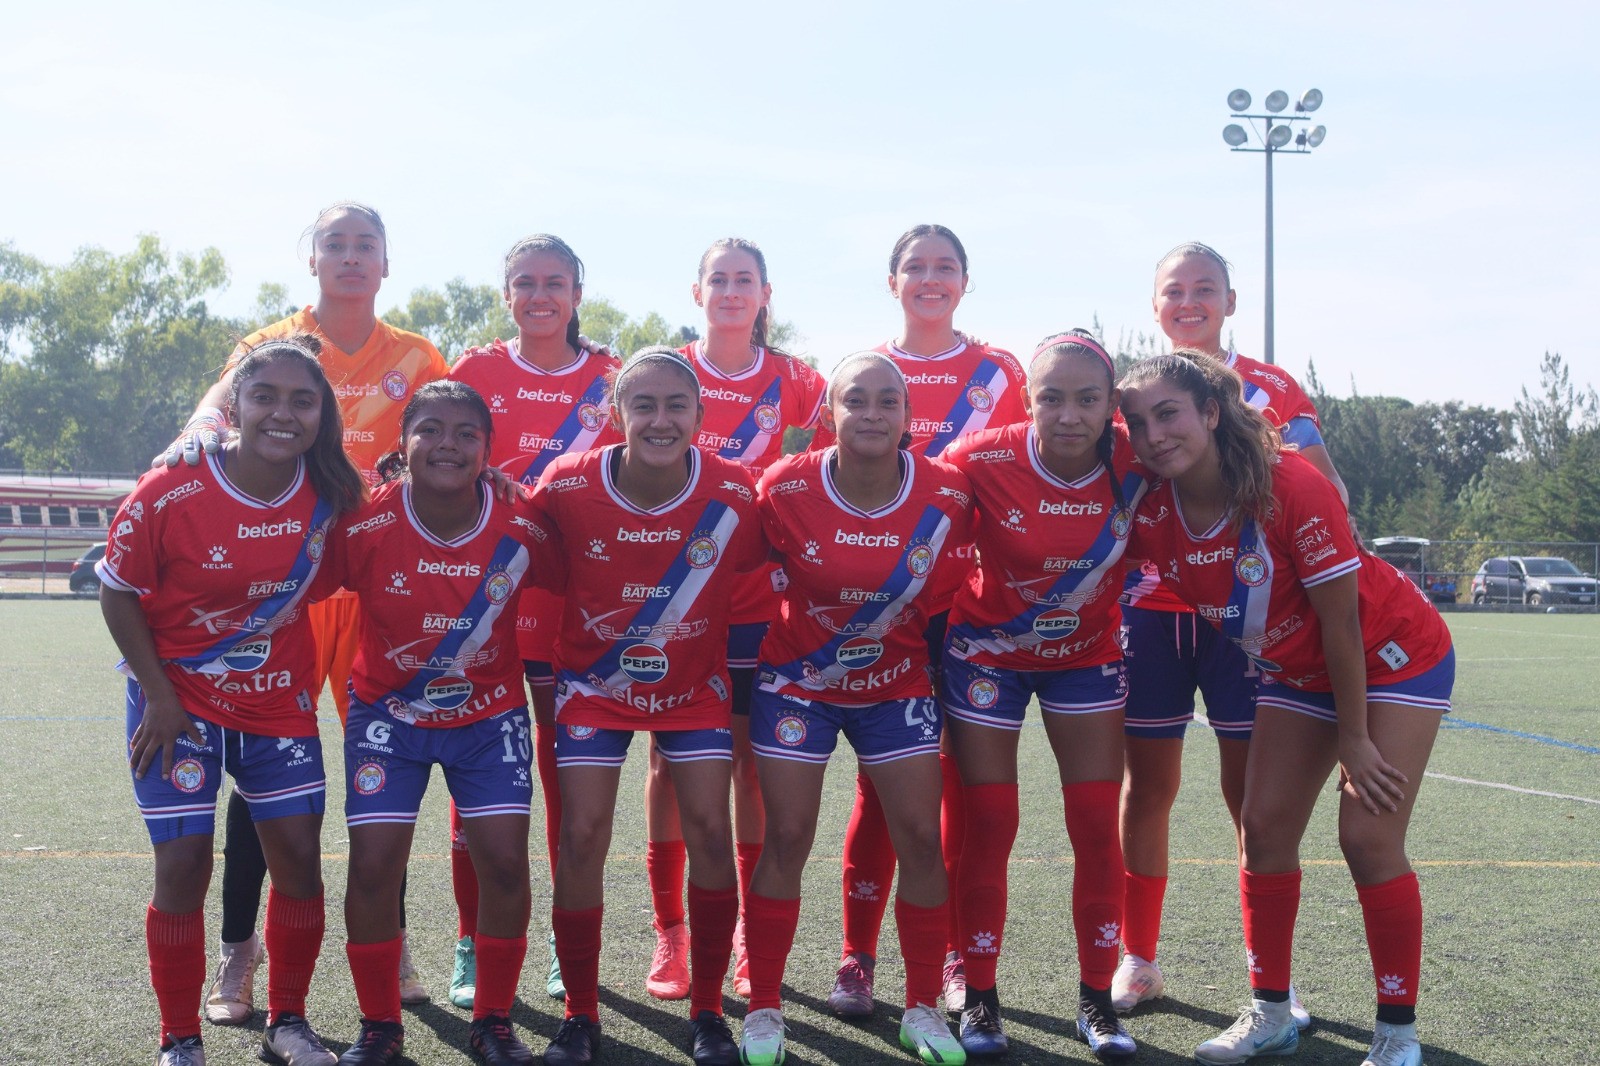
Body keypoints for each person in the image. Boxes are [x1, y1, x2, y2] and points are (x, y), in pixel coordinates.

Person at [1119, 354, 1454, 1066]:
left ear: (1212, 412)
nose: (1153, 435)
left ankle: (1397, 1033)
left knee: (1366, 837)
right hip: (1297, 672)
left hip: (1393, 654)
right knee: (1264, 829)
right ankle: (1271, 1012)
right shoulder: (1150, 505)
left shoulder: (1289, 484)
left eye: (1169, 414)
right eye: (1138, 423)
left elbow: (1342, 623)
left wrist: (1355, 739)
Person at [167, 202, 451, 1020]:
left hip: (377, 587)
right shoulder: (272, 342)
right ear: (313, 258)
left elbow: (447, 438)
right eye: (336, 244)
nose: (351, 257)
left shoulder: (417, 354)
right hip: (280, 589)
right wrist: (198, 425)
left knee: (386, 771)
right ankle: (238, 953)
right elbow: (218, 403)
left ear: (386, 263)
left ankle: (392, 943)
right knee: (259, 773)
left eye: (366, 245)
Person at [100, 336, 365, 1066]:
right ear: (235, 405)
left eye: (302, 400)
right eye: (265, 396)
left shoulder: (333, 495)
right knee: (183, 866)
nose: (283, 413)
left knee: (300, 861)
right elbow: (117, 592)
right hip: (176, 703)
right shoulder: (171, 485)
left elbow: (405, 525)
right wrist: (159, 697)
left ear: (323, 414)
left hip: (276, 703)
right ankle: (179, 1037)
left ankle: (289, 1022)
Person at [1113, 242, 1348, 1026]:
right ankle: (1137, 958)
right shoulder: (1133, 391)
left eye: (1204, 288)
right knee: (1148, 787)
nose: (1189, 302)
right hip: (1152, 611)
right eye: (1174, 290)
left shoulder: (1272, 387)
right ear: (1155, 305)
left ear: (1231, 301)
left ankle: (1272, 979)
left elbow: (1324, 486)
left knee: (1249, 799)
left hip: (1249, 619)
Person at [528, 348, 765, 1066]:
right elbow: (522, 555)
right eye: (644, 405)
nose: (660, 420)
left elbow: (764, 576)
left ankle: (708, 1011)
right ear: (615, 414)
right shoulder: (567, 483)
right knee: (582, 835)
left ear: (700, 415)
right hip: (591, 688)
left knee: (710, 831)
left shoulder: (733, 488)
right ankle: (579, 1014)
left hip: (693, 691)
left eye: (676, 406)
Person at [814, 225, 1027, 1017]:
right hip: (881, 613)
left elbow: (1032, 473)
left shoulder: (1002, 370)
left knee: (961, 790)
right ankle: (857, 957)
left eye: (945, 267)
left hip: (968, 614)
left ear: (966, 281)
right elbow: (821, 484)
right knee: (878, 786)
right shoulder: (864, 369)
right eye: (915, 267)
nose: (930, 279)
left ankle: (950, 958)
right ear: (892, 281)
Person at [739, 351, 974, 1066]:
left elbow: (957, 581)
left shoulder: (947, 492)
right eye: (855, 400)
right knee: (787, 838)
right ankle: (764, 1007)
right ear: (828, 413)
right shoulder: (784, 485)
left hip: (895, 685)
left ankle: (922, 1007)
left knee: (921, 839)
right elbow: (733, 565)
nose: (871, 413)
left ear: (908, 416)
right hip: (797, 685)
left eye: (886, 401)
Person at [939, 331, 1149, 1062]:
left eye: (1087, 399)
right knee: (990, 821)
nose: (1068, 415)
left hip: (1084, 658)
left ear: (1111, 404)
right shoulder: (978, 458)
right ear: (1026, 401)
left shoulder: (1137, 458)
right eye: (1051, 398)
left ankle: (1097, 1002)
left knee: (1094, 824)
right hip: (986, 656)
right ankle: (979, 996)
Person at [325, 380, 539, 1066]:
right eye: (431, 430)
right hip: (387, 718)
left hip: (489, 716)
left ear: (488, 450)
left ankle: (494, 1020)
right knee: (373, 866)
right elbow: (294, 584)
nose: (448, 444)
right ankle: (379, 1026)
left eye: (466, 433)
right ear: (403, 443)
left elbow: (586, 575)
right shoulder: (363, 522)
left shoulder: (522, 522)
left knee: (504, 863)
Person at [640, 237, 826, 1002]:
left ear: (765, 294)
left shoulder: (800, 383)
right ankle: (671, 933)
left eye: (744, 279)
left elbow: (826, 469)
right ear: (698, 292)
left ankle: (749, 928)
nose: (731, 291)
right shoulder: (667, 372)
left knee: (750, 764)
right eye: (718, 279)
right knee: (668, 767)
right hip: (673, 602)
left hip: (755, 601)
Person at [449, 234, 621, 1007]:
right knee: (474, 777)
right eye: (525, 282)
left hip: (568, 606)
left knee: (565, 779)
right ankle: (469, 938)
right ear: (507, 295)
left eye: (555, 282)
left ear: (578, 294)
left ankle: (561, 934)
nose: (540, 295)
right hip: (475, 602)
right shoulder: (475, 372)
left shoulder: (611, 378)